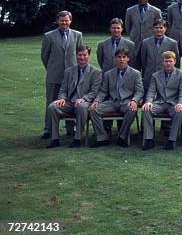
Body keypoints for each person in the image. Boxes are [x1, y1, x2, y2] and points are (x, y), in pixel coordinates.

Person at [46, 45, 101, 148]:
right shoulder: (69, 72)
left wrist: (84, 99)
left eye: (84, 55)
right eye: (80, 55)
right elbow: (63, 89)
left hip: (85, 101)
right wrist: (61, 98)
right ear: (76, 56)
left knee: (81, 107)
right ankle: (55, 139)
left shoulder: (96, 72)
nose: (82, 57)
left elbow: (94, 92)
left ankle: (77, 138)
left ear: (88, 55)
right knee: (52, 107)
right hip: (69, 101)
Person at [89, 48, 144, 148]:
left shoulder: (135, 74)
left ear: (128, 58)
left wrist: (134, 100)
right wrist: (97, 100)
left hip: (127, 102)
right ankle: (102, 138)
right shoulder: (108, 74)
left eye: (124, 57)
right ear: (115, 59)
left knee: (131, 109)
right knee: (93, 110)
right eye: (119, 57)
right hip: (112, 102)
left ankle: (122, 137)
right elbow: (103, 91)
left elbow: (139, 91)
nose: (121, 60)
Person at [41, 10, 83, 139]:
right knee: (51, 102)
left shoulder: (77, 35)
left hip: (72, 76)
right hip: (54, 75)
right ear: (57, 21)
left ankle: (71, 128)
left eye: (66, 20)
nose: (64, 22)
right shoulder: (49, 36)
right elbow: (44, 56)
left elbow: (80, 54)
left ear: (70, 21)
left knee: (70, 101)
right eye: (62, 20)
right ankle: (48, 129)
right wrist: (52, 68)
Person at [141, 51, 182, 151]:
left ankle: (171, 140)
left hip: (173, 104)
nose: (168, 63)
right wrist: (148, 101)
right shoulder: (156, 75)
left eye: (170, 61)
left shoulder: (181, 75)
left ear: (175, 61)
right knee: (146, 109)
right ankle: (149, 139)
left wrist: (180, 103)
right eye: (166, 61)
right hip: (160, 103)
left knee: (179, 111)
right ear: (162, 62)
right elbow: (151, 91)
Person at [124, 0, 162, 69]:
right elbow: (128, 26)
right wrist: (133, 35)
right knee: (134, 67)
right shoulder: (130, 11)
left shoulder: (156, 11)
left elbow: (159, 27)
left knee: (148, 68)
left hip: (150, 43)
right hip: (135, 43)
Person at [140, 19, 179, 92]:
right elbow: (143, 60)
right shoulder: (146, 42)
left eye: (161, 28)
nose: (159, 30)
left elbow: (176, 62)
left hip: (165, 74)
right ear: (153, 29)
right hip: (149, 74)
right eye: (156, 27)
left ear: (165, 29)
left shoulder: (172, 43)